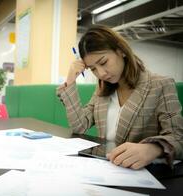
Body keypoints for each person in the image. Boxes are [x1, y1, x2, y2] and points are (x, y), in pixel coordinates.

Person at [57, 25, 183, 170]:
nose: (101, 74)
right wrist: (71, 79)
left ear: (121, 51)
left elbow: (178, 138)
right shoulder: (103, 88)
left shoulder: (160, 85)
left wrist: (153, 148)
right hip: (106, 169)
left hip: (143, 172)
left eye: (103, 62)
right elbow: (80, 126)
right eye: (93, 69)